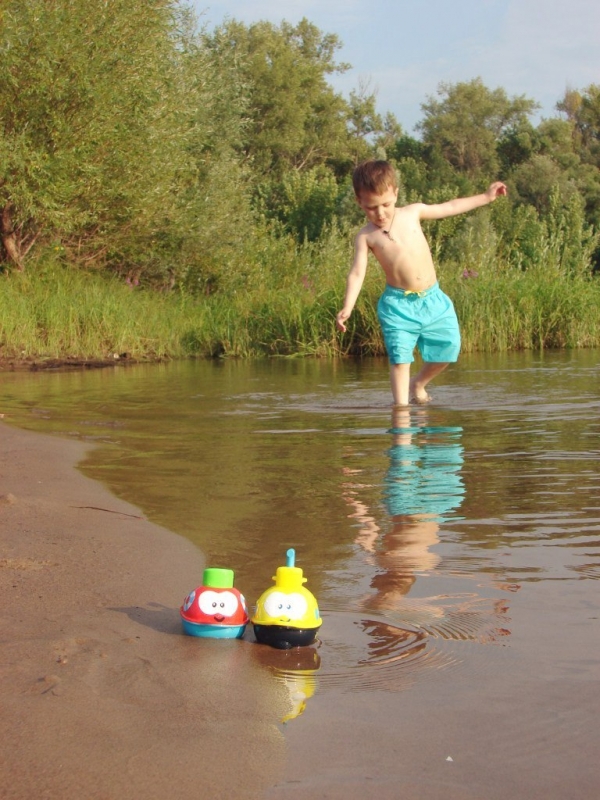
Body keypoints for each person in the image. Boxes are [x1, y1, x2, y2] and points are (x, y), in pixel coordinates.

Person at [336, 160, 507, 406]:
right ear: (359, 202)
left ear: (396, 194)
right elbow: (357, 273)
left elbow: (451, 206)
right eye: (372, 208)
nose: (380, 213)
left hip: (433, 299)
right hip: (397, 306)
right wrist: (348, 306)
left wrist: (486, 197)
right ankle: (401, 411)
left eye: (386, 204)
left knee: (449, 348)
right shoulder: (366, 236)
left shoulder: (412, 213)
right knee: (400, 358)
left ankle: (418, 384)